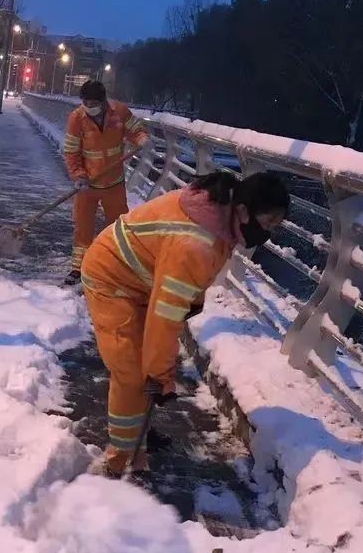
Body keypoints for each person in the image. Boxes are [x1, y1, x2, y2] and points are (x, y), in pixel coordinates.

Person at [80, 171, 290, 477]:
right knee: (132, 372)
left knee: (144, 366)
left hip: (140, 280)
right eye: (268, 223)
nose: (268, 233)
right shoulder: (197, 242)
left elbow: (178, 293)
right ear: (244, 211)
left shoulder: (221, 212)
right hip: (110, 278)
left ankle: (137, 435)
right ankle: (122, 462)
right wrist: (161, 375)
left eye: (275, 226)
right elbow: (165, 316)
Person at [62, 80, 150, 286]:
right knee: (82, 227)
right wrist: (78, 175)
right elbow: (71, 151)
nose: (89, 106)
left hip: (113, 183)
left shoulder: (119, 112)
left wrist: (141, 138)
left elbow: (136, 128)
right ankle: (78, 268)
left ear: (103, 101)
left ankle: (115, 267)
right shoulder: (76, 118)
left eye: (93, 102)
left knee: (118, 227)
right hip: (88, 185)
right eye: (85, 102)